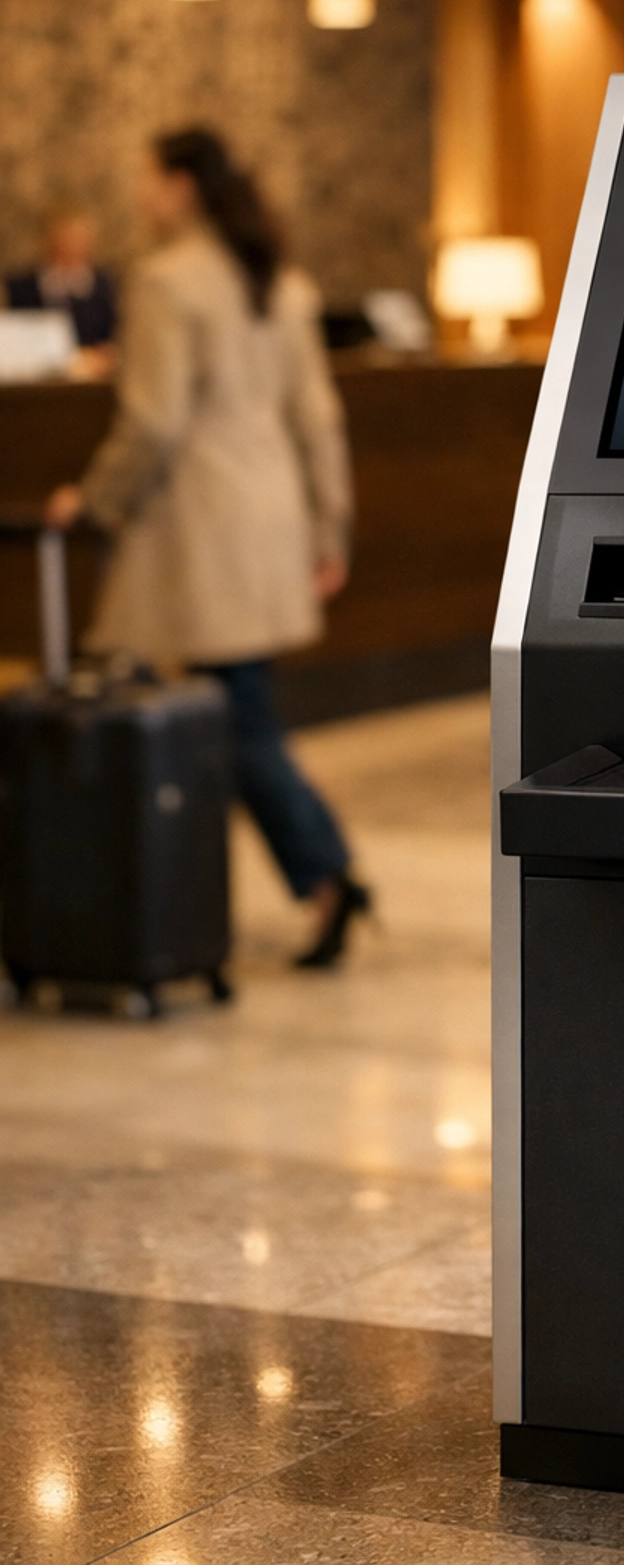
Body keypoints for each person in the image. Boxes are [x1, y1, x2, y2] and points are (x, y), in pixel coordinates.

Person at [45, 127, 371, 967]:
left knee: (231, 722)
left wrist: (95, 498)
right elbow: (318, 419)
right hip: (267, 520)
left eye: (149, 180)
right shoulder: (279, 281)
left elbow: (151, 419)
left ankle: (321, 875)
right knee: (235, 713)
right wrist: (330, 526)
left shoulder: (166, 280)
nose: (142, 197)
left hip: (199, 530)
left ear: (181, 185)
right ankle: (305, 876)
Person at [8, 210, 118, 351]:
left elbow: (113, 335)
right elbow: (16, 335)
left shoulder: (105, 285)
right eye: (64, 238)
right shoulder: (22, 286)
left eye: (77, 238)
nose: (71, 245)